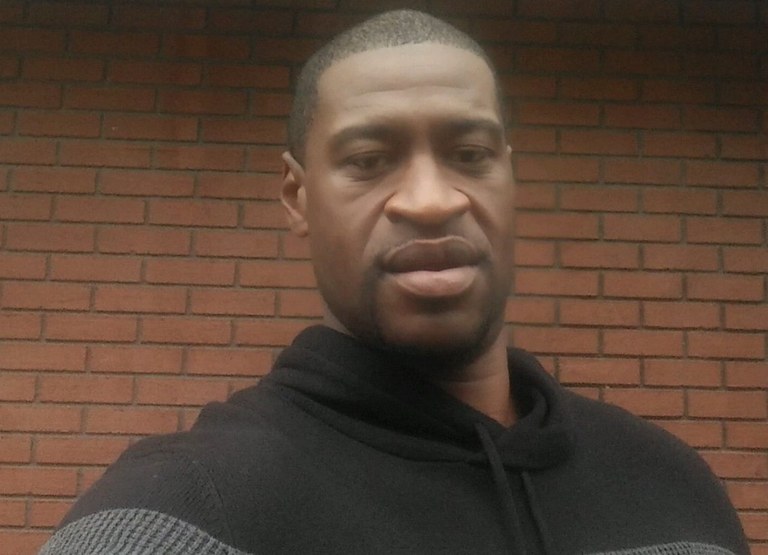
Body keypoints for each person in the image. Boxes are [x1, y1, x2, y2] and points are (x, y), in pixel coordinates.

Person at [41, 10, 748, 555]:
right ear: (297, 197)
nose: (431, 200)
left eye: (469, 153)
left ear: (510, 176)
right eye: (369, 160)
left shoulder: (676, 494)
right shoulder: (180, 515)